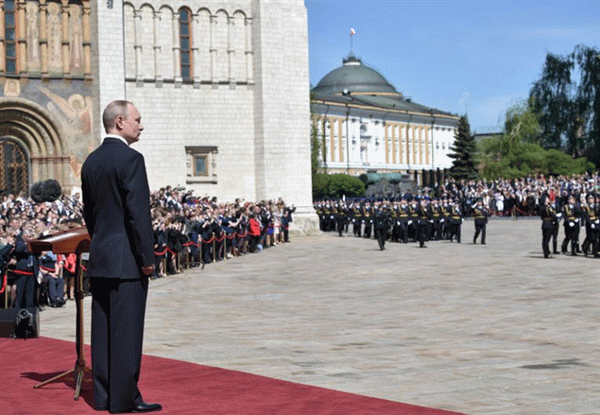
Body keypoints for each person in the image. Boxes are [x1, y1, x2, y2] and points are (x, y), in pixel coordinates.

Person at [81, 100, 161, 413]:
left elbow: (90, 214)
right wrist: (147, 257)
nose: (141, 125)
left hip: (100, 256)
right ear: (119, 122)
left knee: (102, 331)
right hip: (127, 259)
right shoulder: (131, 159)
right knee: (126, 331)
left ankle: (102, 395)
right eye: (137, 120)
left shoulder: (91, 161)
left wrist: (101, 242)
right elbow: (138, 214)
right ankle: (124, 399)